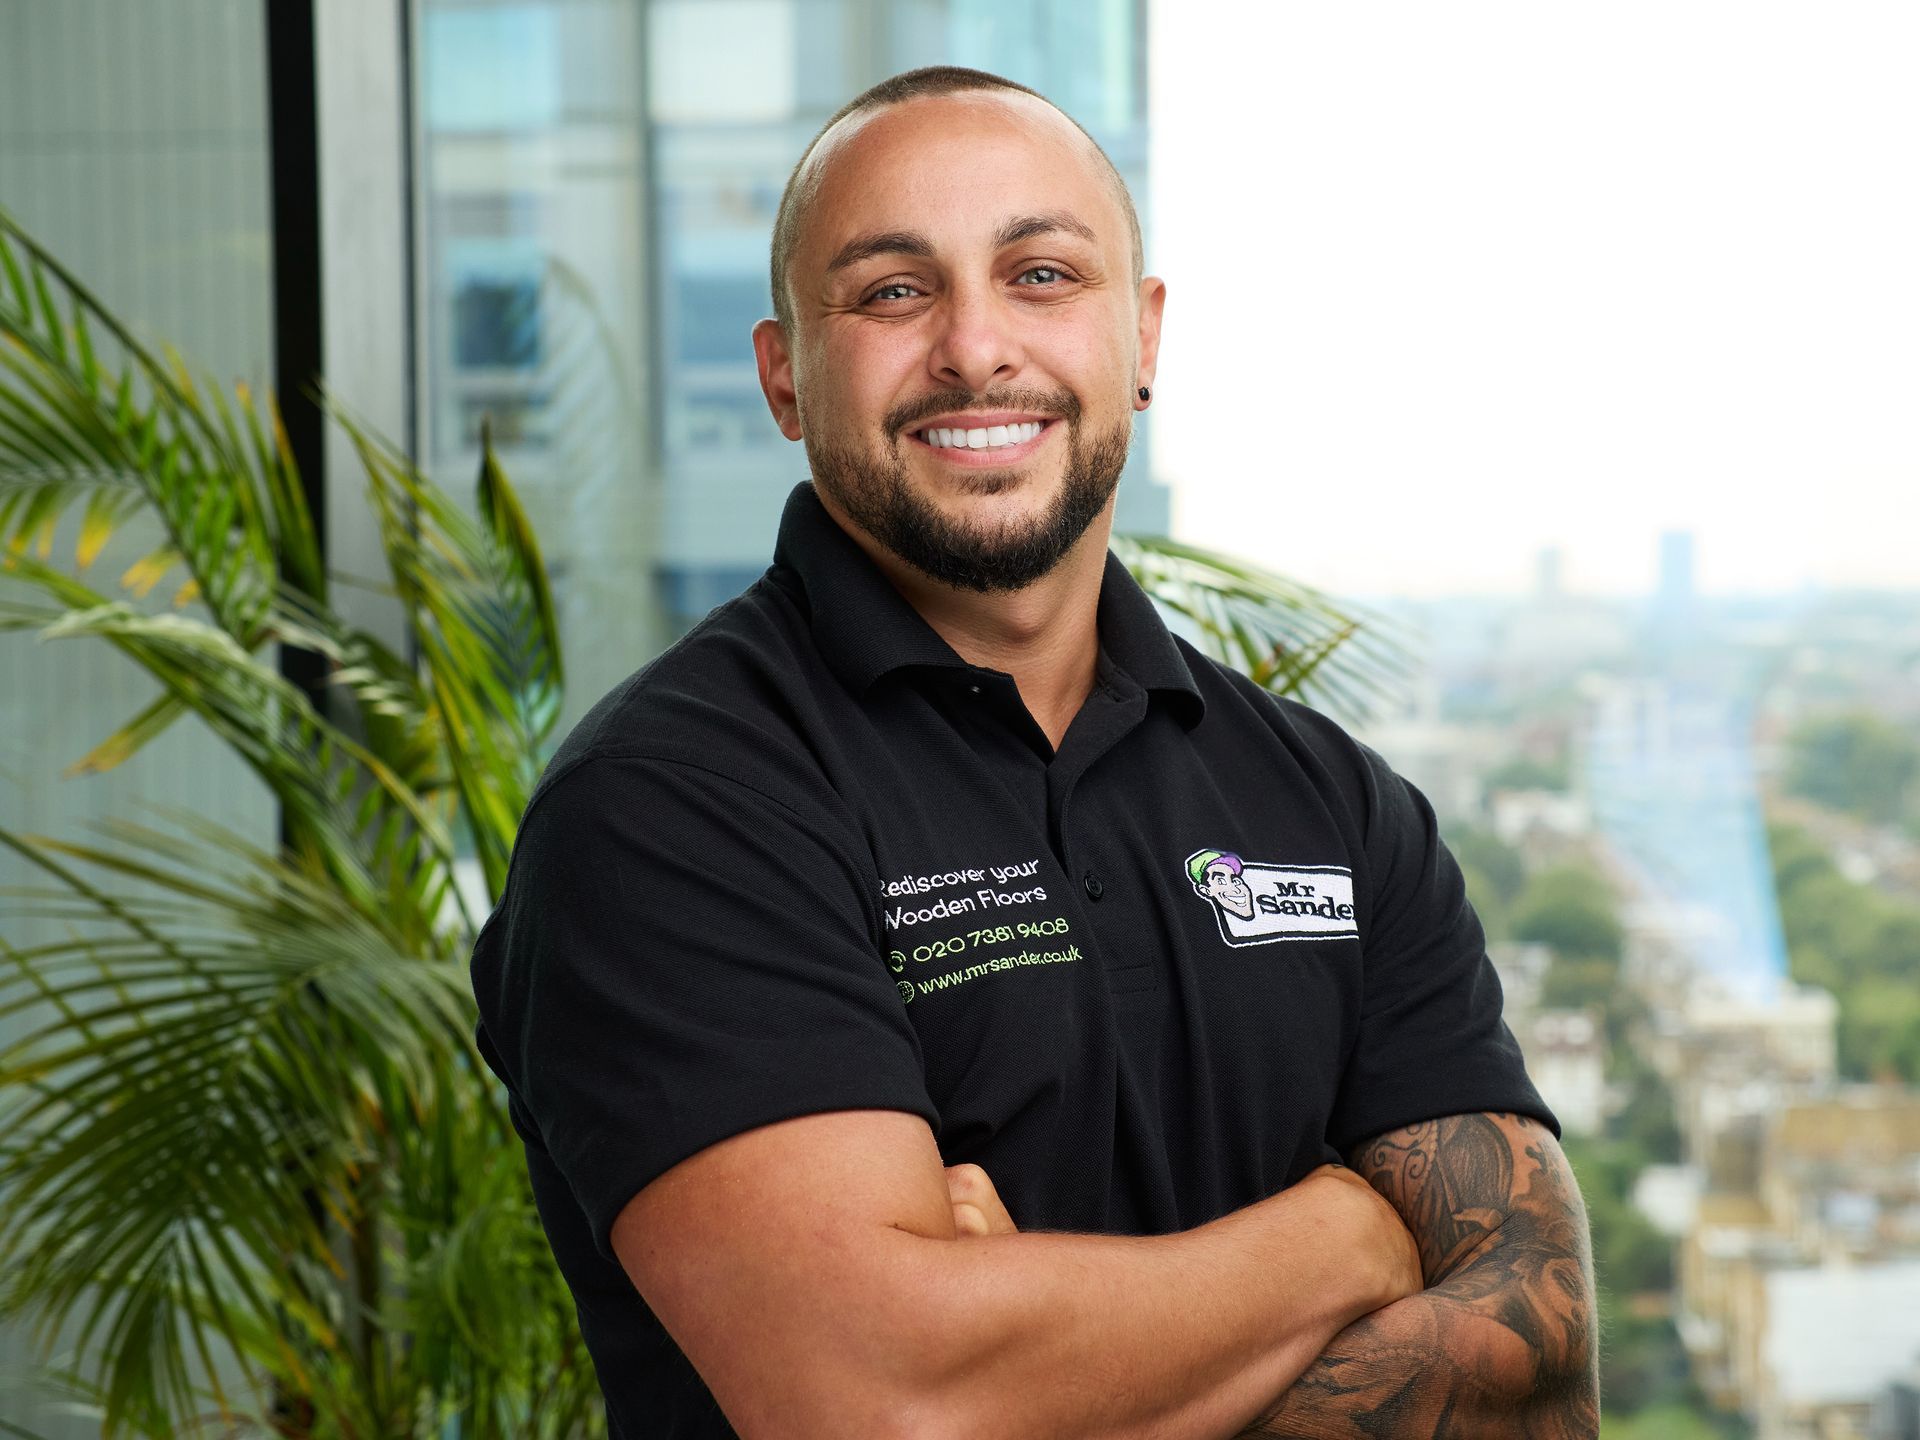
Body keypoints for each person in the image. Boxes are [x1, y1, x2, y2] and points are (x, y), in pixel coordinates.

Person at [469, 65, 1599, 1440]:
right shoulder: (672, 811)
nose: (974, 347)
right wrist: (1351, 1238)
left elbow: (1536, 1361)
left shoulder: (1339, 808)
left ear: (1143, 336)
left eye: (1044, 275)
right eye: (894, 291)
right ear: (783, 376)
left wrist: (1029, 1356)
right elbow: (887, 1409)